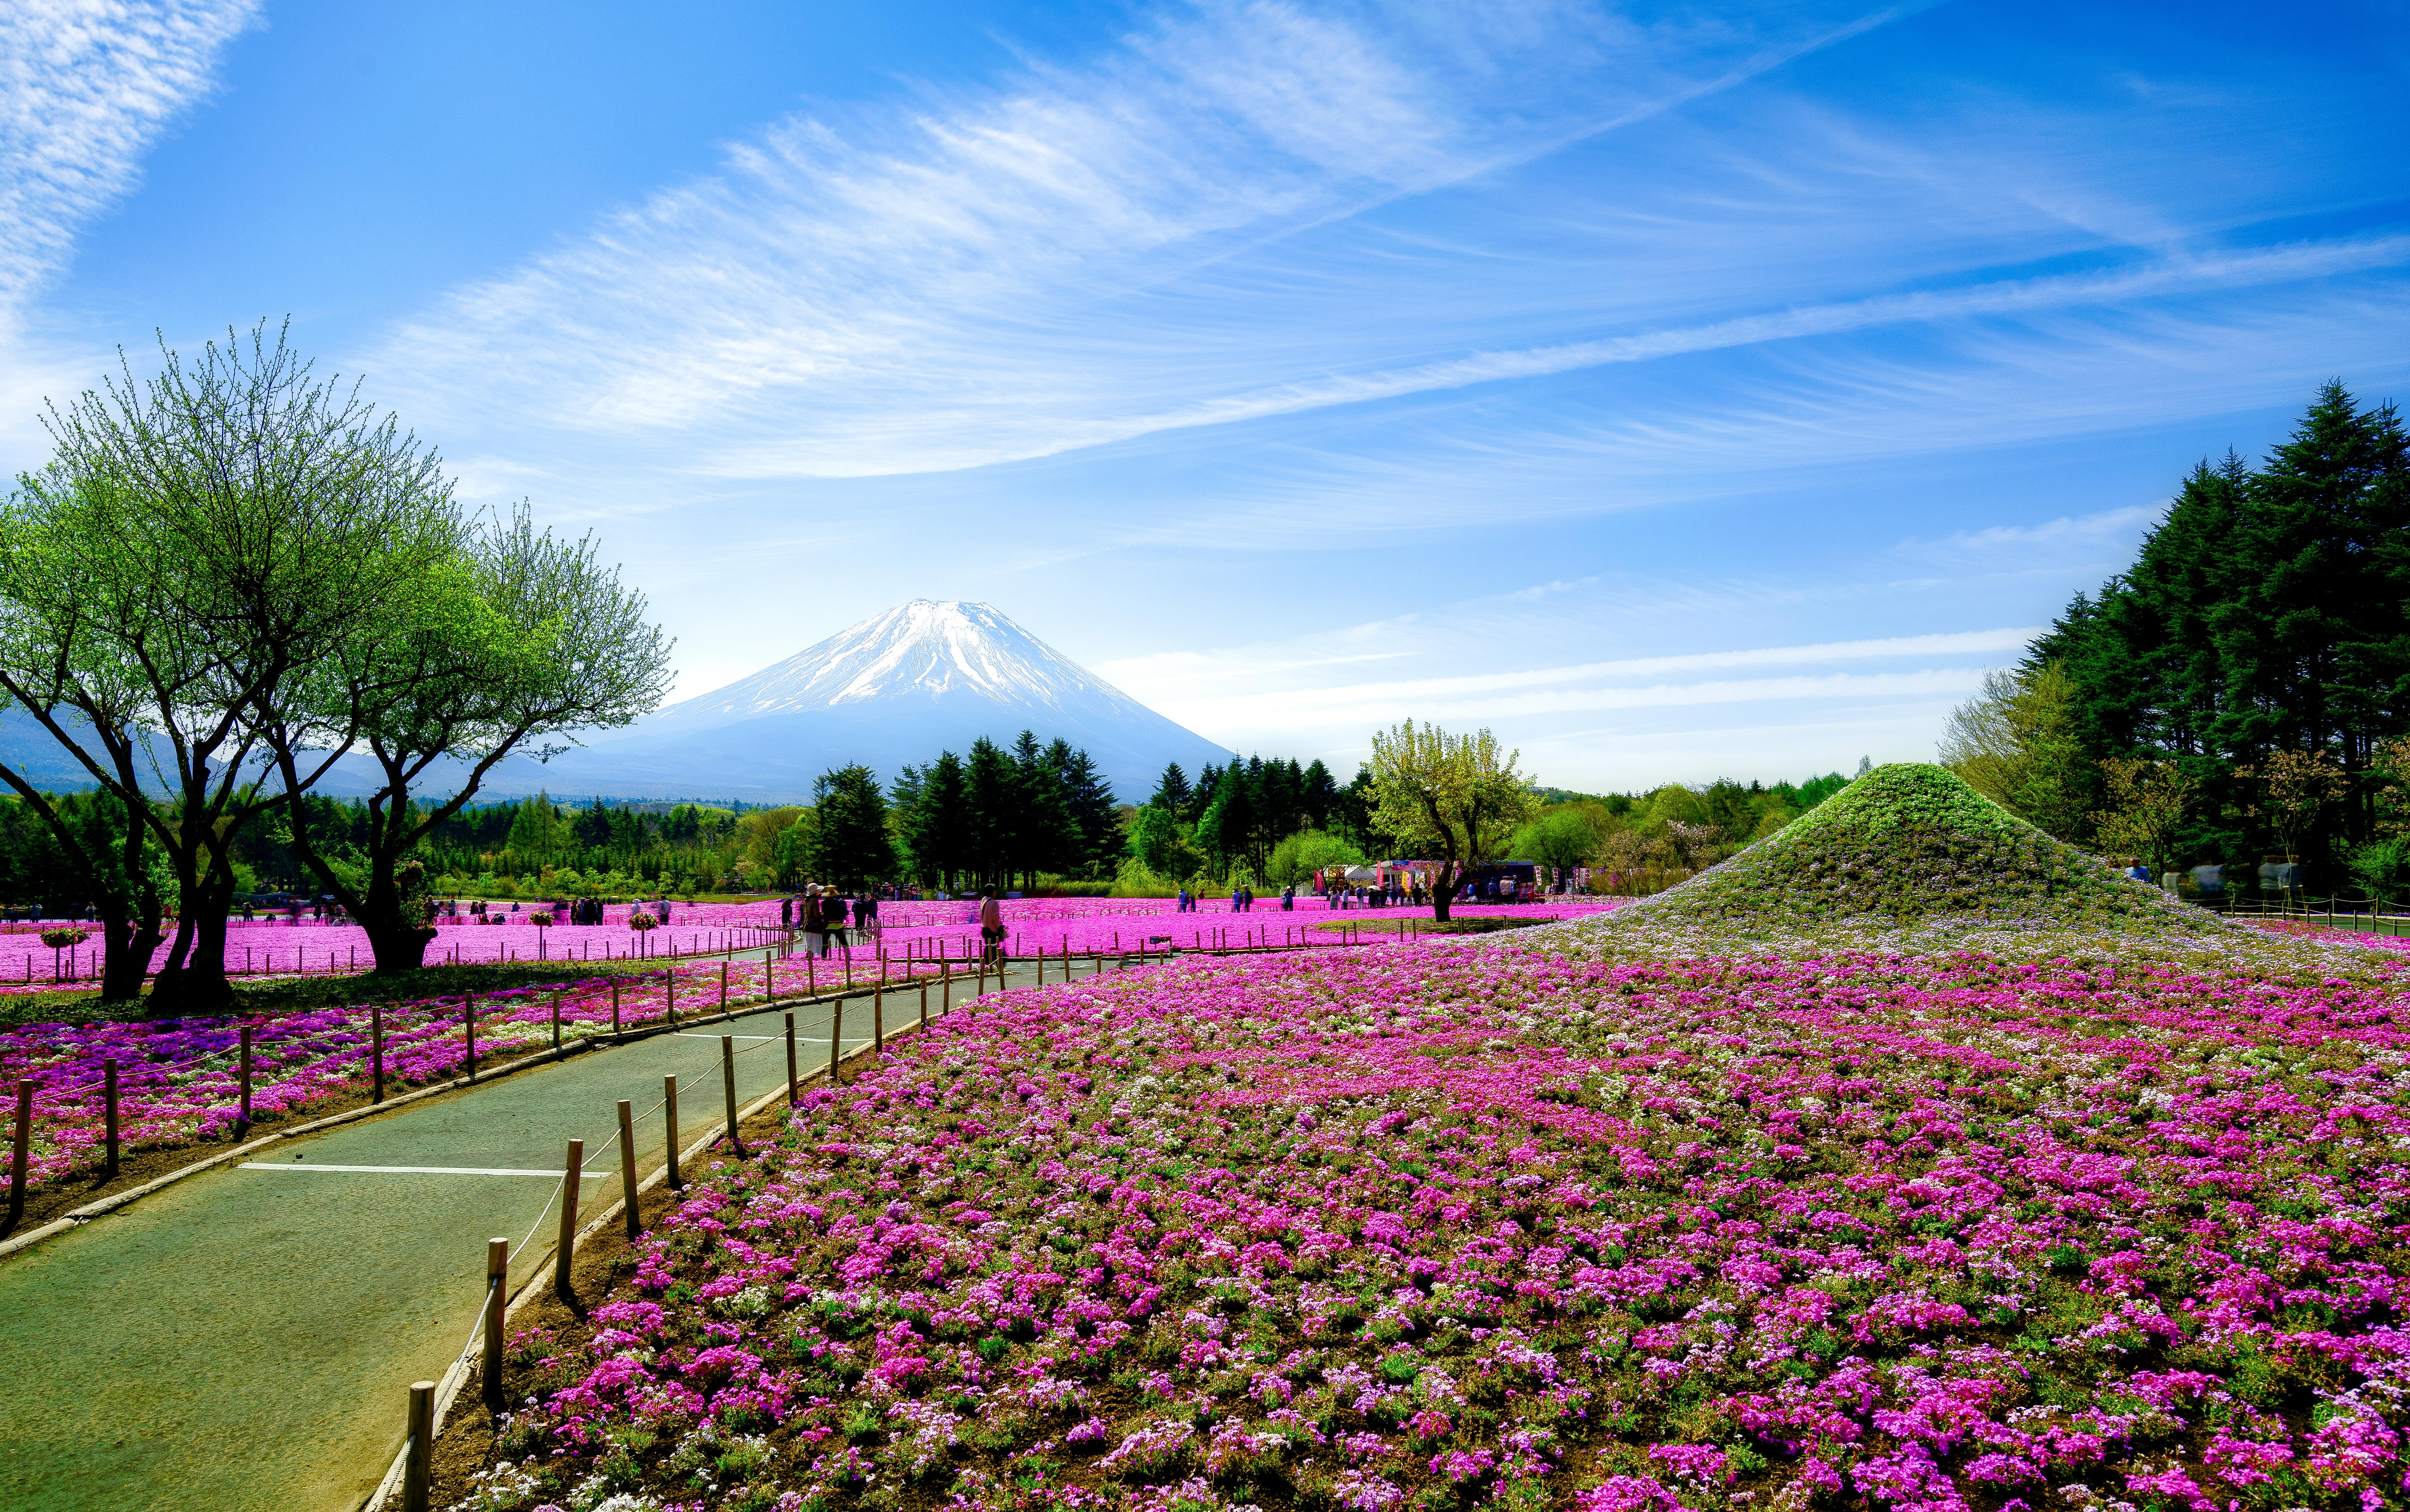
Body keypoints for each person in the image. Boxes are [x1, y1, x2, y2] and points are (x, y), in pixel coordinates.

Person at [979, 889, 1006, 964]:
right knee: (993, 948)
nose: (995, 893)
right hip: (992, 930)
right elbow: (995, 917)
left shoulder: (984, 901)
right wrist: (1000, 927)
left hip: (985, 929)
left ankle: (987, 965)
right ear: (992, 893)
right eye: (994, 891)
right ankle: (991, 965)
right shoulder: (993, 903)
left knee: (988, 947)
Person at [801, 889, 826, 959]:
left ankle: (809, 958)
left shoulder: (807, 900)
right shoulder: (814, 900)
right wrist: (822, 915)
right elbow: (816, 914)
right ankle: (810, 959)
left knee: (809, 943)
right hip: (814, 925)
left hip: (808, 924)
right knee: (814, 942)